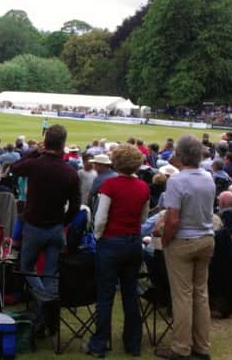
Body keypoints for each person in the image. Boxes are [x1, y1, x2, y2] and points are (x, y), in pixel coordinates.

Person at [84, 144, 150, 357]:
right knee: (130, 294)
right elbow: (143, 217)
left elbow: (101, 218)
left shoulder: (110, 185)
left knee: (105, 295)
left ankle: (100, 343)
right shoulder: (143, 187)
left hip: (112, 242)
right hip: (133, 243)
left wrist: (98, 237)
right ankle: (133, 343)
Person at [155, 135, 215, 360]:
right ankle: (202, 346)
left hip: (184, 241)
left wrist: (165, 241)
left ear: (180, 155)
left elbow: (172, 220)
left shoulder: (177, 181)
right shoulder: (207, 177)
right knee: (200, 294)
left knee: (182, 296)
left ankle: (181, 348)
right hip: (205, 239)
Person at [11, 124, 80, 298]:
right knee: (51, 274)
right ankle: (49, 305)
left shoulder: (36, 165)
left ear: (45, 142)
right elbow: (75, 206)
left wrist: (35, 152)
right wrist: (63, 222)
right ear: (63, 144)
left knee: (27, 268)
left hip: (35, 225)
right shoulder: (70, 172)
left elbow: (14, 168)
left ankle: (44, 301)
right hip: (56, 226)